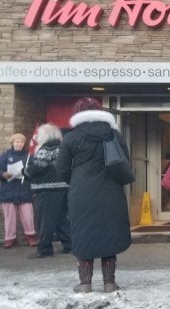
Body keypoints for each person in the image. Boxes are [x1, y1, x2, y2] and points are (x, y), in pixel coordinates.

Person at [55, 97, 132, 293]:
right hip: (111, 192)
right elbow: (125, 161)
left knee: (83, 234)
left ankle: (85, 283)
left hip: (81, 193)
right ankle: (109, 282)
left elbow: (61, 169)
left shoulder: (71, 137)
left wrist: (75, 182)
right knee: (109, 234)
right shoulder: (113, 135)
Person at [23, 123, 71, 258]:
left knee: (44, 220)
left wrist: (24, 171)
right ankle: (69, 244)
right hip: (62, 187)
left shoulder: (46, 148)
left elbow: (36, 168)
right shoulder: (61, 147)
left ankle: (44, 248)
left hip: (46, 189)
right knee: (61, 218)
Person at [0, 133, 36, 249]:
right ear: (12, 143)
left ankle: (30, 236)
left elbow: (33, 171)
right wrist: (3, 174)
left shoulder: (28, 156)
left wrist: (27, 172)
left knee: (28, 215)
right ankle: (9, 238)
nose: (19, 144)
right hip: (8, 190)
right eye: (17, 142)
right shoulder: (5, 156)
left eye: (21, 142)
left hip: (24, 188)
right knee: (9, 217)